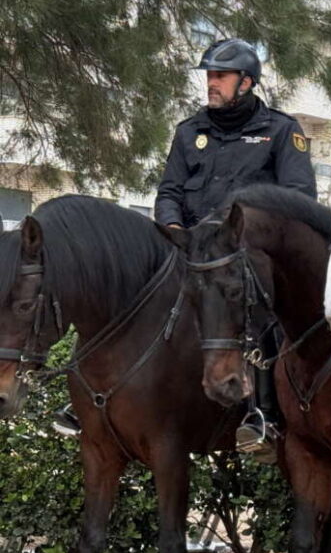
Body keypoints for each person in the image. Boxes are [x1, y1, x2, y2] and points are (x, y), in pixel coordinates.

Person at [53, 39, 315, 466]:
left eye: (220, 76)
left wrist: (244, 237)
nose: (211, 84)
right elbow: (169, 192)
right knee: (128, 302)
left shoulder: (282, 132)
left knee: (261, 314)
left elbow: (298, 199)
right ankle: (92, 399)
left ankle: (262, 414)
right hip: (191, 251)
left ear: (247, 82)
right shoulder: (190, 131)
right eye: (209, 76)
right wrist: (172, 227)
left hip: (246, 256)